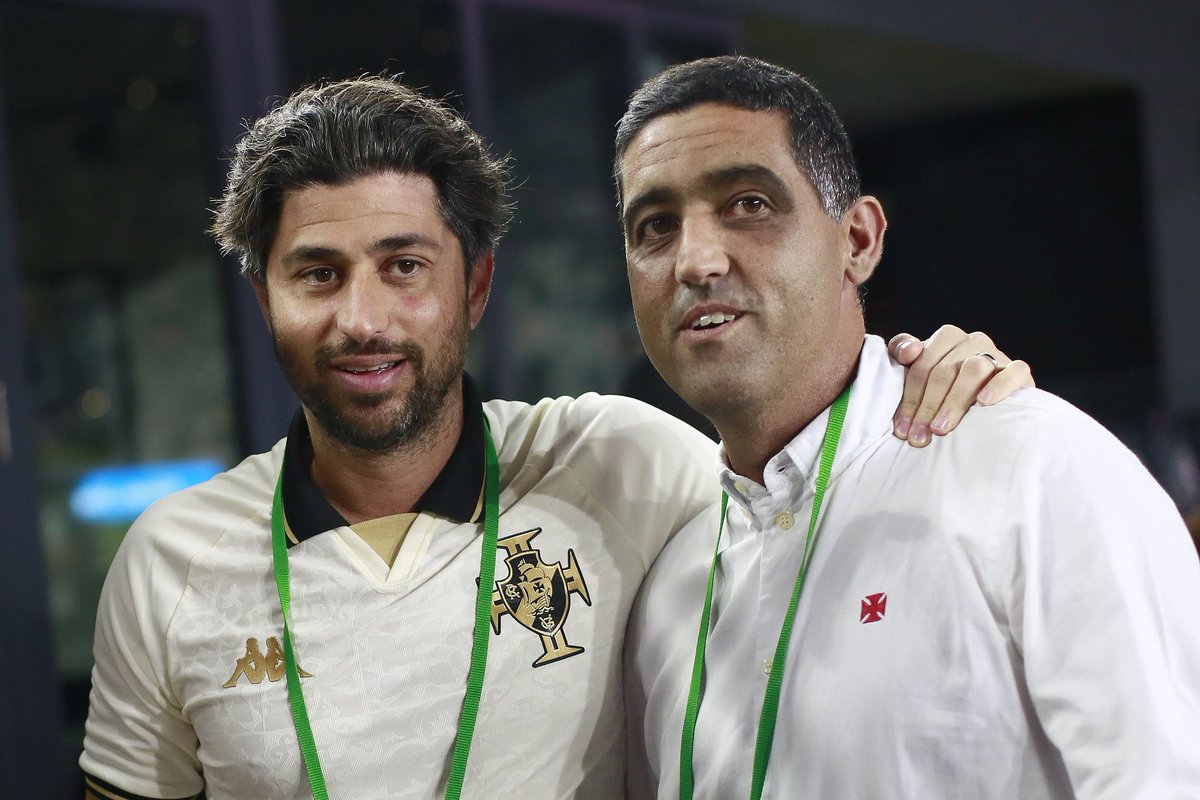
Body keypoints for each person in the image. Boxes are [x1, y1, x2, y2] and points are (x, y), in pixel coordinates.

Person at [79, 76, 1028, 800]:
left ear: (475, 287)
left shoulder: (615, 462)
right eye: (318, 275)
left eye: (404, 267)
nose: (362, 319)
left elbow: (810, 483)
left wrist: (937, 375)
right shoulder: (173, 560)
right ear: (265, 301)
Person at [618, 56, 1200, 800]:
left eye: (748, 204)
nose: (694, 260)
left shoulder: (1029, 466)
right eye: (656, 226)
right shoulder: (667, 585)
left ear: (858, 241)